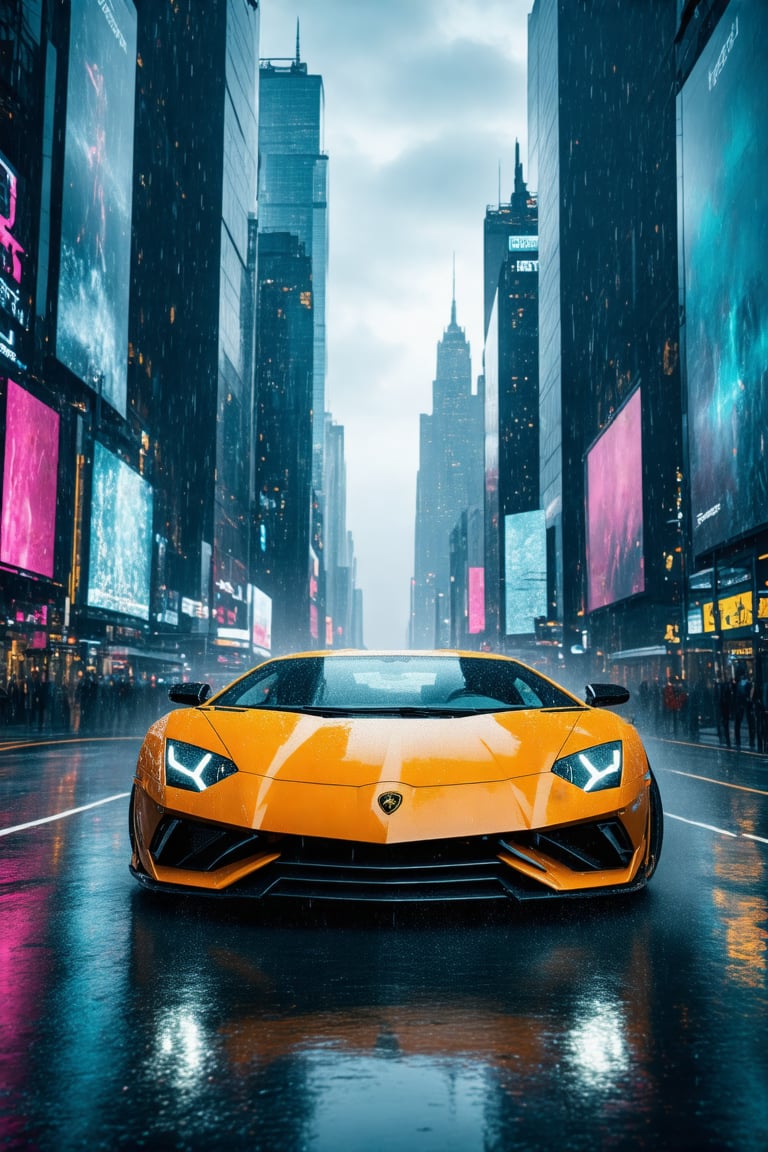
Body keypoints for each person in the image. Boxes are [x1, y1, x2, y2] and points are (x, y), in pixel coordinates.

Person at [732, 665, 755, 750]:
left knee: (738, 724)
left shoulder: (737, 684)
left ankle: (738, 741)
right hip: (745, 705)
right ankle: (751, 741)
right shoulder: (747, 683)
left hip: (741, 705)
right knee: (749, 723)